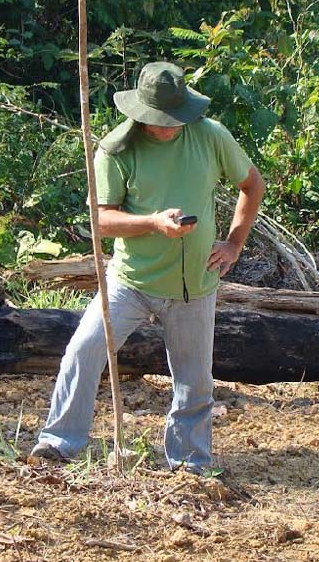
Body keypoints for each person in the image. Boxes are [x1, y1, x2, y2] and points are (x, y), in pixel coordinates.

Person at [30, 61, 265, 474]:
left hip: (194, 284)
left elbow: (252, 185)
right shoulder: (116, 150)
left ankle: (190, 464)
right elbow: (101, 222)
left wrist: (233, 244)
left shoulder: (211, 136)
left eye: (176, 119)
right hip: (130, 281)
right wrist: (153, 223)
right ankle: (59, 441)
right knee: (84, 350)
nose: (168, 127)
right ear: (140, 112)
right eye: (160, 120)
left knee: (195, 382)